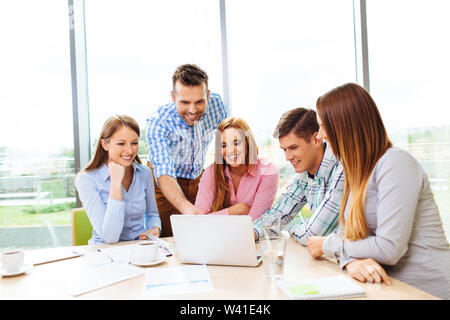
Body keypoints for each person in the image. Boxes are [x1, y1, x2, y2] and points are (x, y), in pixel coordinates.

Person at [306, 82, 450, 299]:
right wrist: (350, 263)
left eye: (324, 126)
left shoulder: (395, 163)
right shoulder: (356, 173)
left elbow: (389, 248)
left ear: (345, 126)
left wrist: (328, 245)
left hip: (428, 291)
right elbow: (350, 238)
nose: (320, 135)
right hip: (387, 289)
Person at [146, 64, 229, 237]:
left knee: (203, 237)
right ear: (172, 97)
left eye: (199, 101)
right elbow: (164, 171)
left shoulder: (217, 106)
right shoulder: (159, 122)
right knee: (172, 238)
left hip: (198, 179)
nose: (192, 110)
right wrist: (185, 207)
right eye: (184, 102)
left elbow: (227, 142)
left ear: (207, 95)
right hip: (165, 184)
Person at [253, 108, 344, 244]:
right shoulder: (303, 175)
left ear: (316, 139)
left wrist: (292, 230)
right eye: (284, 150)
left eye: (294, 148)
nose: (288, 157)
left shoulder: (341, 167)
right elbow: (279, 213)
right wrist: (252, 232)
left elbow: (313, 233)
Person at [75, 115, 161, 244]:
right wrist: (115, 183)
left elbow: (152, 214)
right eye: (121, 143)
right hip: (105, 252)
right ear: (105, 145)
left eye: (134, 143)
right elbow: (110, 238)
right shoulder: (87, 179)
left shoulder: (145, 173)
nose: (129, 150)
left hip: (139, 249)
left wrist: (155, 228)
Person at [195, 117, 278, 219]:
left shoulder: (267, 171)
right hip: (218, 233)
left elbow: (255, 223)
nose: (230, 150)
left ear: (248, 142)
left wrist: (214, 218)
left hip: (252, 234)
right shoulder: (211, 172)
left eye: (236, 143)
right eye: (224, 145)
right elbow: (198, 220)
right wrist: (238, 210)